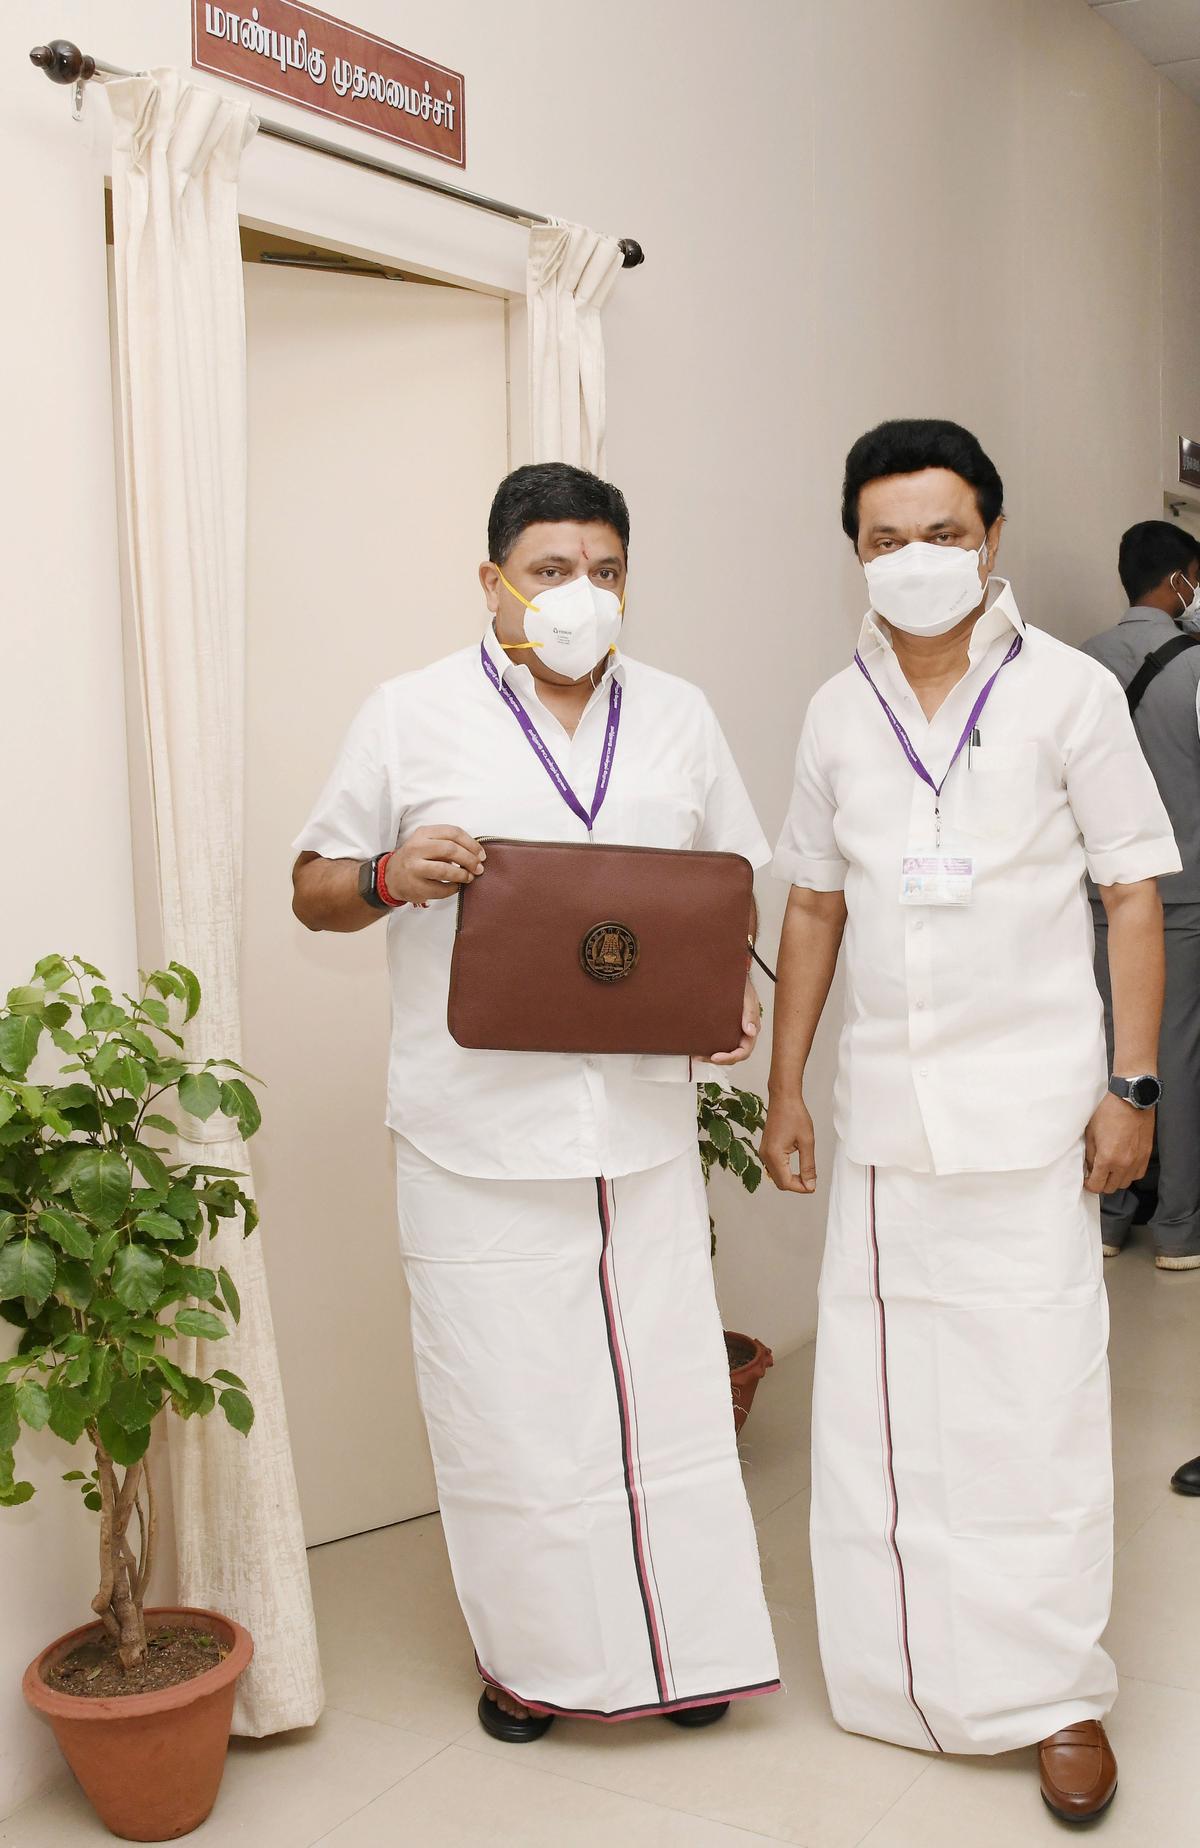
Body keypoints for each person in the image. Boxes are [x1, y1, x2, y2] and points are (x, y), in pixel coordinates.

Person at [291, 462, 779, 1742]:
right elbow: (311, 888)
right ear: (494, 581)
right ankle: (537, 1665)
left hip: (636, 1125)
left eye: (606, 571)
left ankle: (688, 1652)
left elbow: (730, 892)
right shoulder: (411, 714)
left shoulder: (677, 714)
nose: (581, 595)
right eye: (553, 570)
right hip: (472, 1131)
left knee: (663, 1395)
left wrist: (734, 1002)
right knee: (509, 1408)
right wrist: (392, 874)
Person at [761, 419, 1180, 1824]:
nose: (916, 561)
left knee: (1033, 1412)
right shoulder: (834, 711)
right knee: (879, 1416)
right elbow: (813, 902)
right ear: (856, 558)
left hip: (1032, 1119)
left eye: (942, 534)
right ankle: (896, 1678)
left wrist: (1132, 1088)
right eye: (886, 540)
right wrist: (785, 1085)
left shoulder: (1069, 695)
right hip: (887, 1122)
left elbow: (1131, 891)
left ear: (990, 538)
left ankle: (1054, 1695)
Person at [1081, 521, 1200, 1271]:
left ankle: (1109, 1217)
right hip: (1181, 899)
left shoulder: (1074, 665)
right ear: (1179, 581)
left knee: (1108, 1054)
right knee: (1175, 1056)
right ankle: (1180, 1231)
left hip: (1092, 900)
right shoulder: (1194, 669)